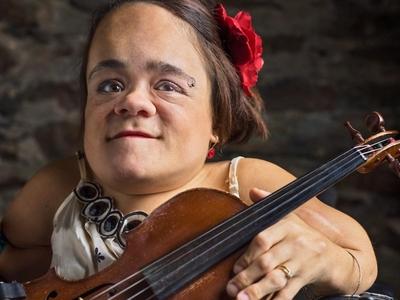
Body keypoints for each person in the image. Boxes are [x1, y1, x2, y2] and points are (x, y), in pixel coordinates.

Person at [0, 0, 378, 299]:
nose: (132, 101)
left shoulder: (244, 182)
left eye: (167, 85)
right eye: (109, 85)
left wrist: (323, 260)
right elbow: (14, 260)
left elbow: (360, 257)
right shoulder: (60, 185)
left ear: (217, 120)